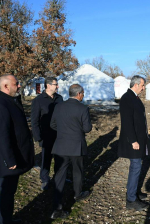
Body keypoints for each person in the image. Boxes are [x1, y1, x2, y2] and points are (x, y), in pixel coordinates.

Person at [0, 74, 34, 224]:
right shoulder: (0, 105)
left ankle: (6, 220)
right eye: (16, 84)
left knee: (9, 193)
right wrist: (9, 160)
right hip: (7, 159)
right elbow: (2, 135)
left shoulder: (11, 101)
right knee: (6, 193)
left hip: (14, 155)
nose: (19, 85)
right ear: (6, 86)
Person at [49, 84, 92, 219]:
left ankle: (56, 207)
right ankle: (77, 193)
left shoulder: (59, 106)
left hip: (61, 145)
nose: (83, 95)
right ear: (79, 94)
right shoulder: (83, 108)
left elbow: (52, 124)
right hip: (76, 146)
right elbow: (87, 128)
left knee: (59, 175)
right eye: (83, 93)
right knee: (77, 171)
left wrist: (64, 131)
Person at [118, 75, 150, 211]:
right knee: (136, 167)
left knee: (137, 167)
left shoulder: (134, 98)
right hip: (133, 140)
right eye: (143, 85)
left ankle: (134, 192)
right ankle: (131, 199)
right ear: (136, 85)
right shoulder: (127, 98)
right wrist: (133, 140)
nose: (144, 88)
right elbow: (127, 122)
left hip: (139, 138)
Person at [31, 77, 63, 191]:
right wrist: (38, 137)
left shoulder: (60, 98)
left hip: (59, 134)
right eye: (55, 84)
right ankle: (45, 178)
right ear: (48, 86)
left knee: (60, 157)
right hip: (46, 135)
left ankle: (59, 177)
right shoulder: (38, 100)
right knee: (46, 158)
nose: (57, 86)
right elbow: (34, 121)